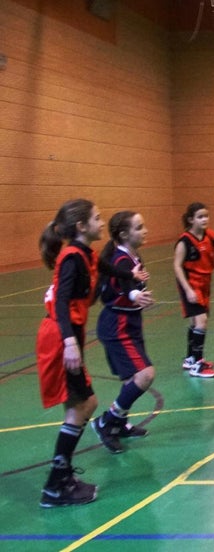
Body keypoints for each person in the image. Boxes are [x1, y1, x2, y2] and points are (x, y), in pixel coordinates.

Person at [35, 199, 104, 507]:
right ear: (81, 226)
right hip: (60, 336)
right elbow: (62, 301)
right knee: (82, 404)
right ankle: (55, 485)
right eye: (97, 218)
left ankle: (60, 479)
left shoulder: (85, 254)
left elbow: (107, 270)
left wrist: (130, 280)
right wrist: (69, 342)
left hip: (68, 334)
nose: (102, 222)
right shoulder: (72, 257)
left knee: (84, 404)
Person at [91, 211, 157, 454]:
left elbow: (130, 283)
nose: (145, 230)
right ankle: (107, 422)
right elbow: (125, 286)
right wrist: (134, 294)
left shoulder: (131, 256)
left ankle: (119, 424)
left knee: (132, 379)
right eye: (139, 227)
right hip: (117, 325)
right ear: (124, 234)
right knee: (145, 375)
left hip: (129, 322)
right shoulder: (120, 260)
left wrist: (138, 294)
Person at [173, 202, 214, 378]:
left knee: (195, 322)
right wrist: (188, 289)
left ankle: (190, 359)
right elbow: (177, 266)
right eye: (200, 217)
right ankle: (198, 365)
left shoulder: (211, 236)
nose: (204, 219)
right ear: (191, 220)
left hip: (205, 283)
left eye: (206, 216)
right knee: (201, 322)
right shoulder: (184, 241)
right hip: (191, 284)